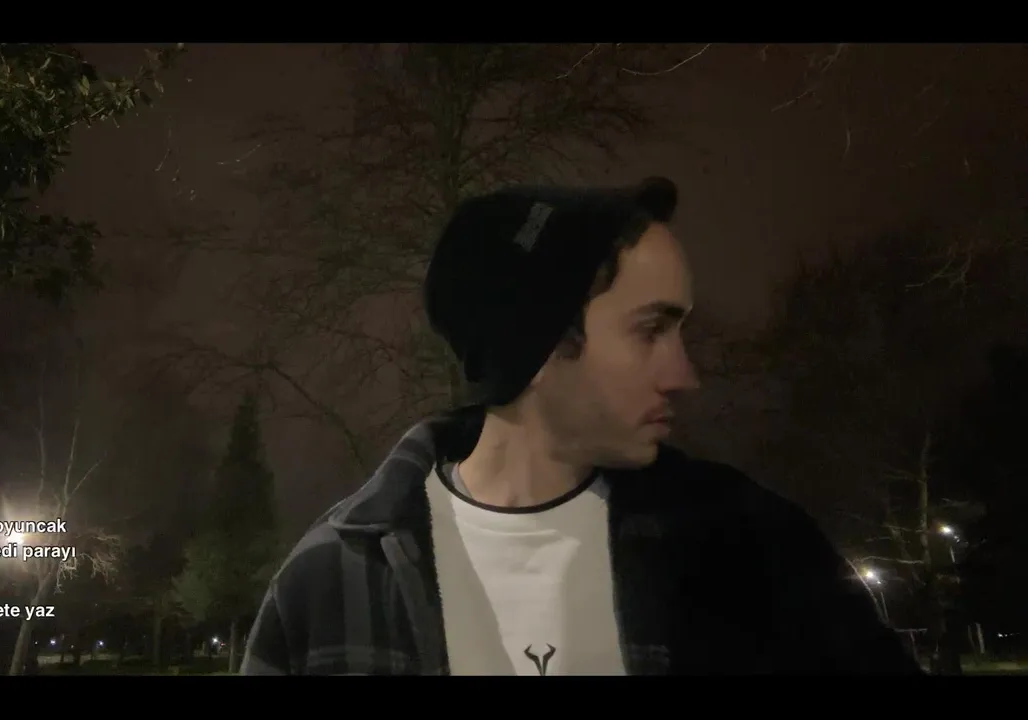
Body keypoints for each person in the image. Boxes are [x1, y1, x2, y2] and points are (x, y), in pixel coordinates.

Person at [240, 177, 922, 675]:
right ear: (535, 347)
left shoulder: (752, 546)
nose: (684, 374)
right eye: (651, 331)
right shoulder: (328, 581)